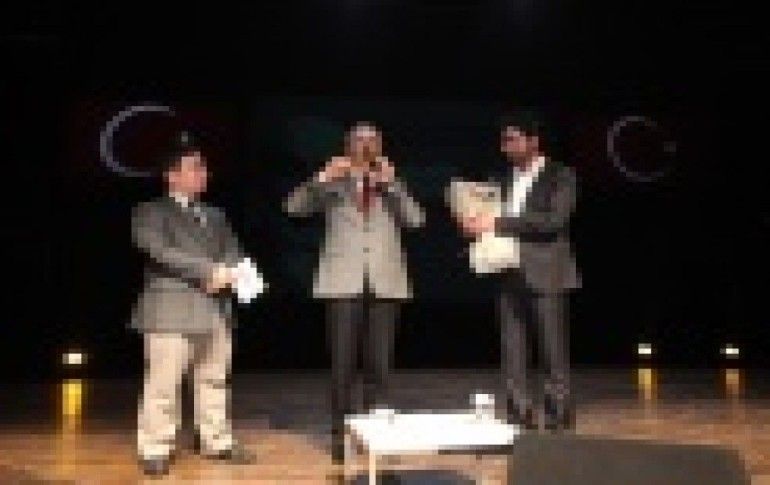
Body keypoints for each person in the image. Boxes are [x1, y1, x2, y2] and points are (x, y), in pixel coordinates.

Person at [284, 122, 424, 462]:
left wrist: (392, 185)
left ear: (381, 145)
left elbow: (416, 219)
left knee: (379, 366)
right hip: (342, 281)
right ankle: (341, 435)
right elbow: (293, 207)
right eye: (359, 140)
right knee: (342, 366)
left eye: (372, 139)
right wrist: (322, 177)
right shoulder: (334, 183)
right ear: (347, 146)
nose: (366, 145)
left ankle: (376, 437)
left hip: (384, 283)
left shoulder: (390, 183)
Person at [130, 132, 254, 476]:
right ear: (172, 175)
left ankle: (216, 440)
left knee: (214, 379)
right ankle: (155, 447)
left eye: (204, 167)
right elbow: (160, 251)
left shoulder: (216, 214)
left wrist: (232, 273)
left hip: (215, 308)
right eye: (195, 167)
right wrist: (210, 271)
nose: (204, 173)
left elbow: (234, 251)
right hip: (172, 310)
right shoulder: (150, 211)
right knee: (164, 383)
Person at [459, 114, 580, 432]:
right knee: (512, 349)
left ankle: (557, 415)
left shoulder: (560, 175)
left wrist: (497, 223)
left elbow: (553, 221)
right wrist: (473, 224)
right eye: (503, 141)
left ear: (533, 141)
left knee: (552, 349)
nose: (506, 147)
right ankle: (518, 413)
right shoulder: (500, 179)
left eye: (512, 139)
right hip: (507, 269)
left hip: (547, 272)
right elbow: (487, 217)